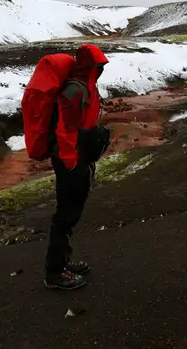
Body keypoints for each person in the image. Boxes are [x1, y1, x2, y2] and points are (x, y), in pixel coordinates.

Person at [44, 44, 109, 290]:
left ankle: (62, 262)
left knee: (70, 215)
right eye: (99, 66)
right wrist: (72, 164)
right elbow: (66, 129)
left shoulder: (85, 86)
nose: (101, 70)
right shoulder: (74, 90)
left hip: (77, 158)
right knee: (65, 216)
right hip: (69, 161)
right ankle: (55, 273)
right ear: (89, 67)